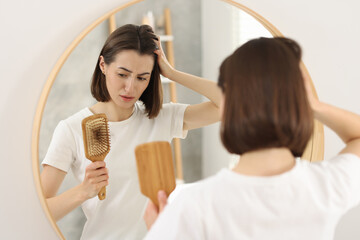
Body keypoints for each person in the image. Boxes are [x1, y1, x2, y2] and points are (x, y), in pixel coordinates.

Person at [144, 37, 360, 240]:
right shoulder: (327, 187)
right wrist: (314, 105)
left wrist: (162, 232)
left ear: (227, 106)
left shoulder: (193, 206)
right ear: (299, 102)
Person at [40, 24, 221, 239]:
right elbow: (39, 209)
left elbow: (229, 103)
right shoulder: (71, 129)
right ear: (103, 65)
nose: (130, 88)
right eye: (123, 74)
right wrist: (83, 192)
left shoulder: (161, 118)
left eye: (142, 77)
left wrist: (172, 73)